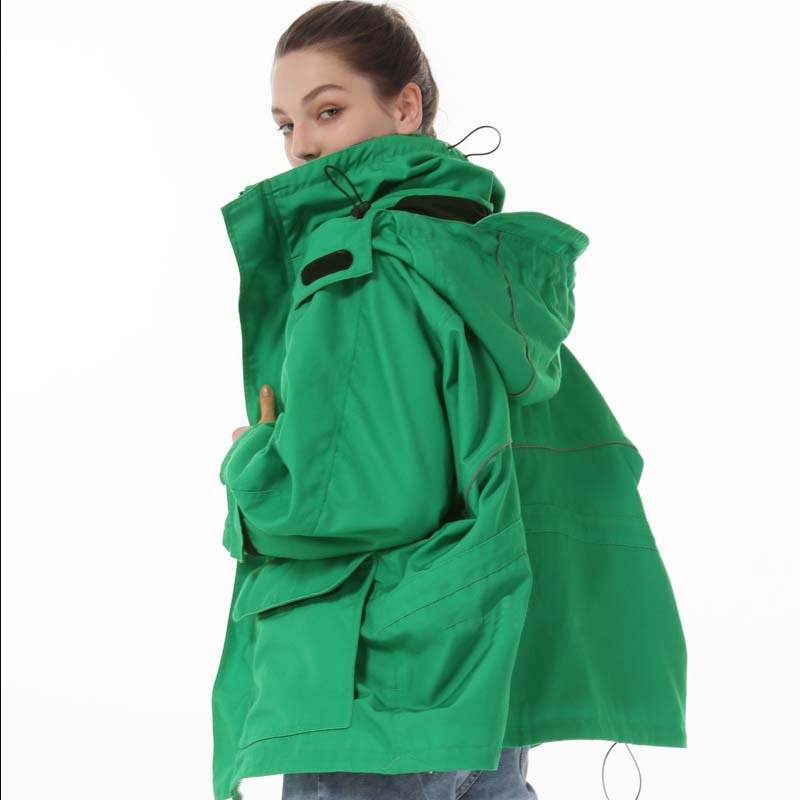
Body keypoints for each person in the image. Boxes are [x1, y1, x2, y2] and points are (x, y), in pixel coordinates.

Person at [212, 3, 688, 800]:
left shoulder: (360, 266)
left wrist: (251, 466)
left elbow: (364, 496)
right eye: (286, 124)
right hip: (483, 677)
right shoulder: (477, 264)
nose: (302, 145)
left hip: (377, 688)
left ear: (405, 106)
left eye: (328, 111)